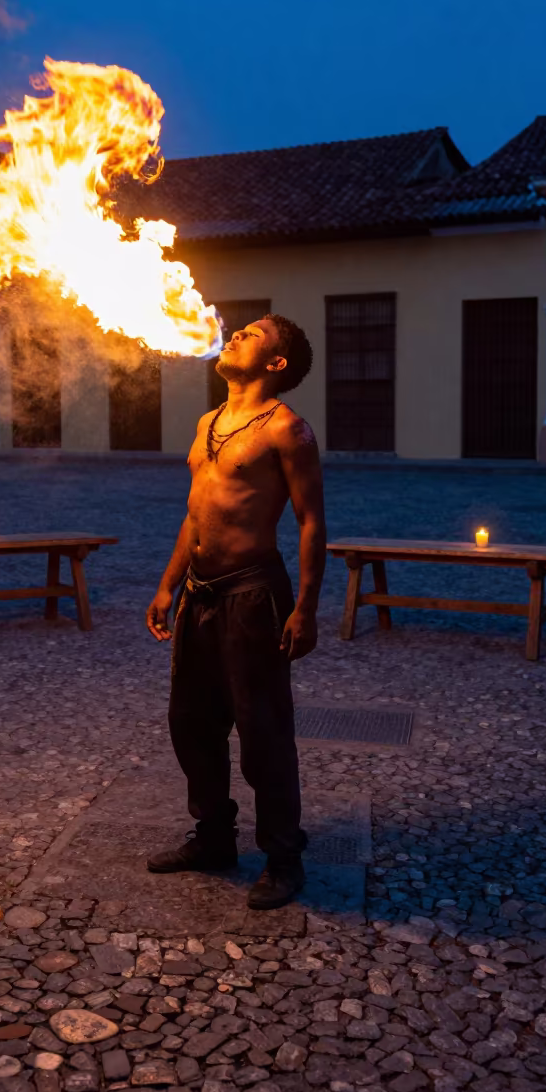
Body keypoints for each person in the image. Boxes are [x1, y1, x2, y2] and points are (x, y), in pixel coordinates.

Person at [146, 314, 326, 911]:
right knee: (191, 724)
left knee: (263, 732)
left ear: (276, 364)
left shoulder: (288, 431)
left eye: (251, 335)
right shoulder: (208, 422)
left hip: (253, 594)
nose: (235, 336)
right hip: (199, 592)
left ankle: (283, 858)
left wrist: (305, 606)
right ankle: (215, 839)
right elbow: (195, 514)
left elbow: (309, 522)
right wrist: (169, 584)